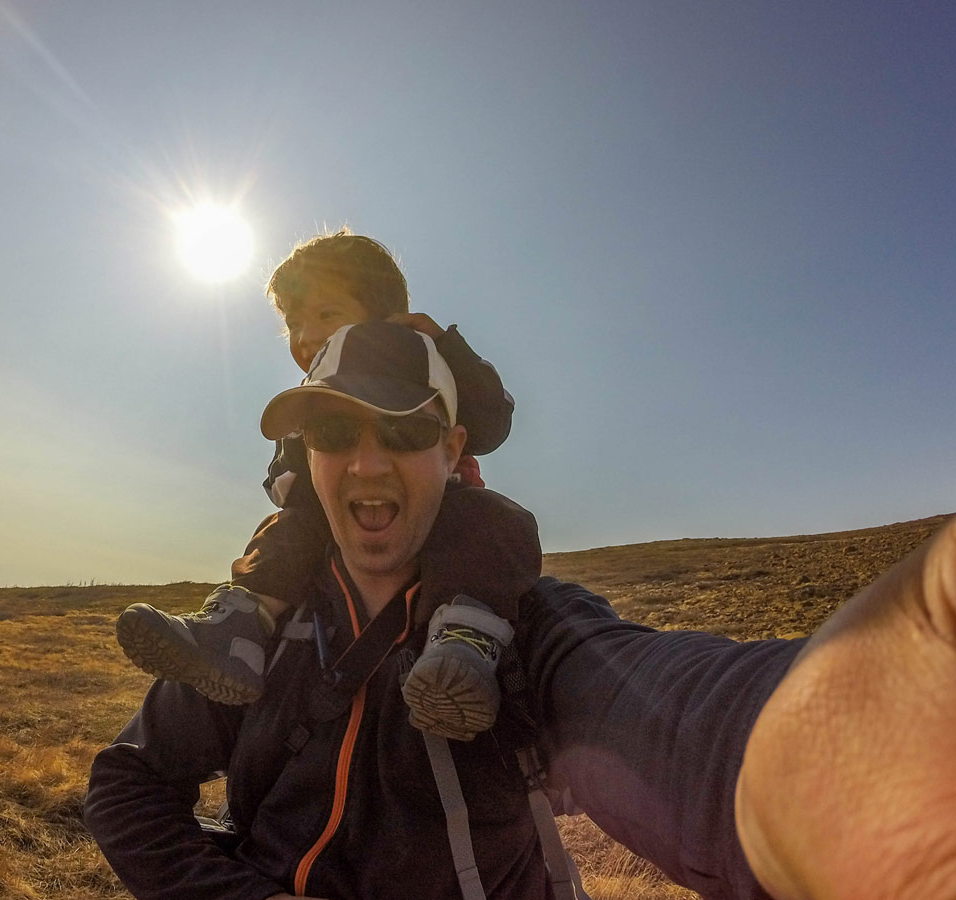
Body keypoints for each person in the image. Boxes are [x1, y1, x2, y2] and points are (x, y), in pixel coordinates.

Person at [86, 319, 956, 900]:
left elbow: (679, 716)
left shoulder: (519, 628)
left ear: (453, 448)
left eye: (403, 430)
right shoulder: (264, 631)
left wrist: (874, 736)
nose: (366, 462)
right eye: (333, 432)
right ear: (304, 457)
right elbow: (126, 782)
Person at [116, 229, 539, 741]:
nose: (306, 334)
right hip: (326, 523)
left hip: (447, 506)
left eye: (325, 314)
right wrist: (291, 485)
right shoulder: (308, 397)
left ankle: (464, 644)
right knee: (287, 531)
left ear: (388, 318)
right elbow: (285, 468)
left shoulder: (430, 362)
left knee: (494, 521)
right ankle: (240, 629)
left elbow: (493, 421)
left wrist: (444, 344)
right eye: (294, 323)